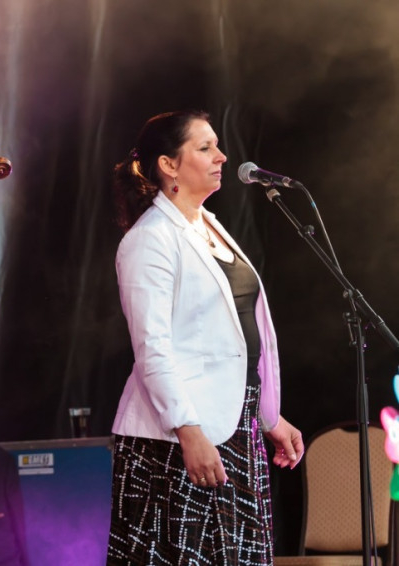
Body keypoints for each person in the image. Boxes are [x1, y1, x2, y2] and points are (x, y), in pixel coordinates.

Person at [107, 110, 305, 564]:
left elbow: (226, 338)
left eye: (216, 145)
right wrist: (189, 431)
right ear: (168, 165)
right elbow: (152, 348)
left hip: (236, 429)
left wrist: (267, 416)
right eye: (205, 147)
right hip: (176, 439)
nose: (221, 156)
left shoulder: (208, 224)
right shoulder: (150, 239)